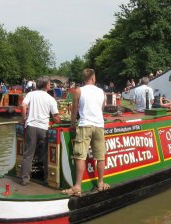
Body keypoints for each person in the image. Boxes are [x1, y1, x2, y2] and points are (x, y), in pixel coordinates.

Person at [62, 68, 108, 196]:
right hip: (99, 125)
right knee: (100, 156)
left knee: (80, 156)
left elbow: (74, 109)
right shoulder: (101, 92)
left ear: (84, 78)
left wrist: (72, 124)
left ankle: (77, 186)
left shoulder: (79, 91)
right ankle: (100, 183)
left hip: (85, 125)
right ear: (93, 78)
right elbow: (102, 108)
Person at [21, 76, 61, 186]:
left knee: (28, 154)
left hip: (31, 127)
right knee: (45, 155)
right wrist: (59, 120)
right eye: (49, 84)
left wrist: (24, 119)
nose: (50, 85)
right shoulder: (50, 99)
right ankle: (47, 179)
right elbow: (55, 117)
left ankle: (25, 179)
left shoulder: (30, 94)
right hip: (43, 128)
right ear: (46, 85)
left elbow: (23, 105)